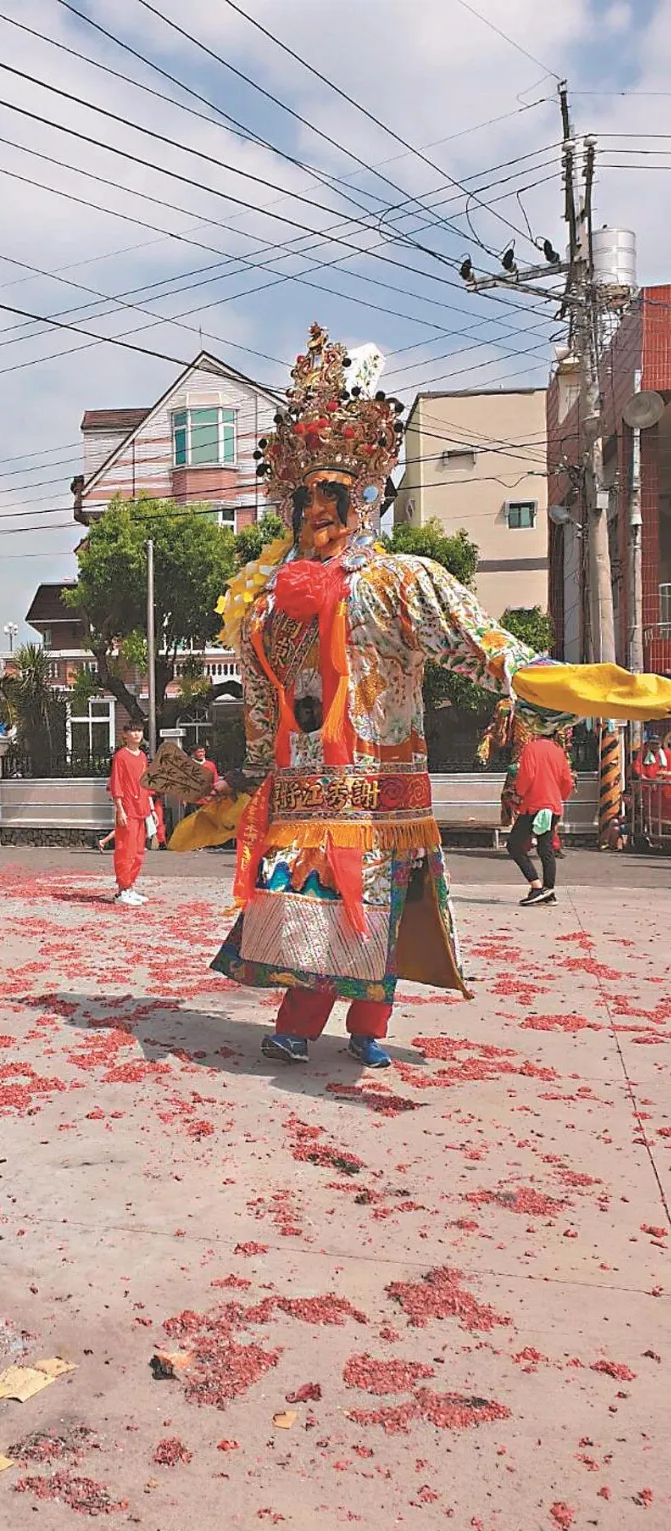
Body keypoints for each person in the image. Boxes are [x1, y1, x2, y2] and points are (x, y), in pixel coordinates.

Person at [172, 324, 671, 1069]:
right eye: (306, 497)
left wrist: (581, 684)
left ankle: (368, 1026)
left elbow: (484, 647)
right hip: (306, 799)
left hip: (385, 798)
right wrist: (239, 786)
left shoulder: (401, 583)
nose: (319, 512)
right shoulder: (261, 608)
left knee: (386, 915)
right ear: (287, 503)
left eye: (335, 496)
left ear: (366, 496)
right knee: (310, 917)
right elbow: (262, 716)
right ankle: (298, 1023)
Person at [507, 733, 574, 905]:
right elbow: (567, 781)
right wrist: (558, 797)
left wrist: (519, 794)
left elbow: (527, 776)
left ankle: (537, 886)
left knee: (514, 845)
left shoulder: (531, 748)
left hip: (534, 804)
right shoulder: (559, 751)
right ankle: (549, 891)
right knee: (546, 848)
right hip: (552, 805)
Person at [108, 722, 152, 906]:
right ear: (125, 734)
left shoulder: (142, 756)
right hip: (128, 807)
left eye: (139, 731)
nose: (136, 734)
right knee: (125, 849)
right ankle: (122, 889)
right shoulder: (121, 756)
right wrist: (120, 809)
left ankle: (130, 886)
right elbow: (116, 783)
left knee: (139, 851)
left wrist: (150, 806)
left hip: (141, 806)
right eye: (133, 731)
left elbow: (146, 782)